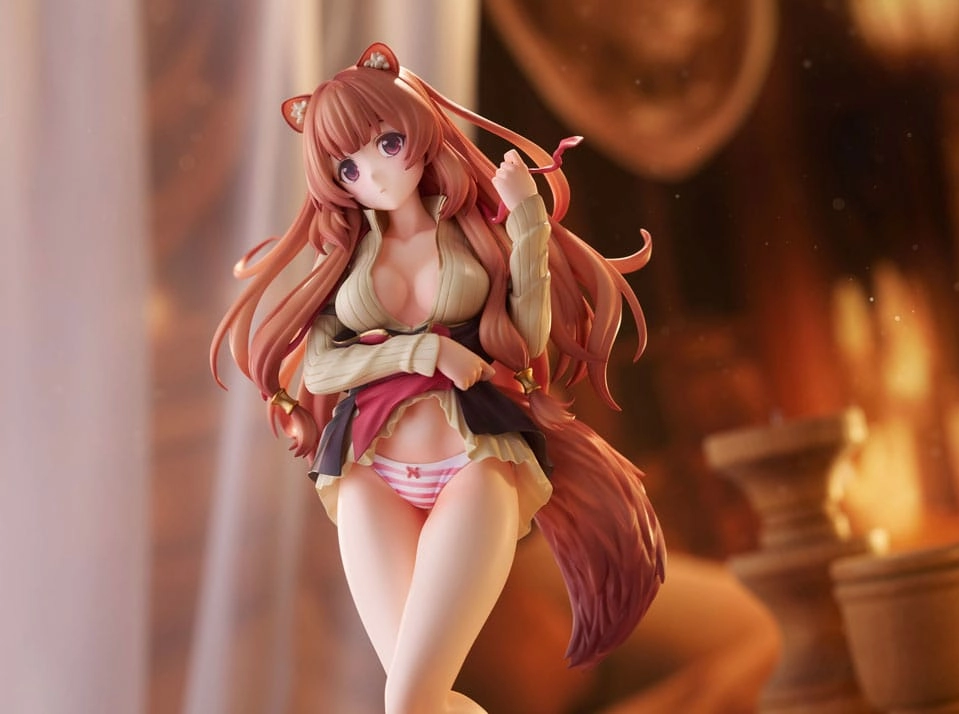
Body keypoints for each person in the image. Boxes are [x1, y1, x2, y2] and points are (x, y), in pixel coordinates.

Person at [211, 43, 665, 714]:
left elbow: (526, 338)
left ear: (417, 132)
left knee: (410, 700)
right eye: (348, 167)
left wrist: (527, 221)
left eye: (387, 144)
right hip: (368, 475)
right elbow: (324, 366)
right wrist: (424, 353)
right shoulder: (345, 259)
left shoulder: (468, 237)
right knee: (415, 702)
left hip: (473, 464)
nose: (373, 173)